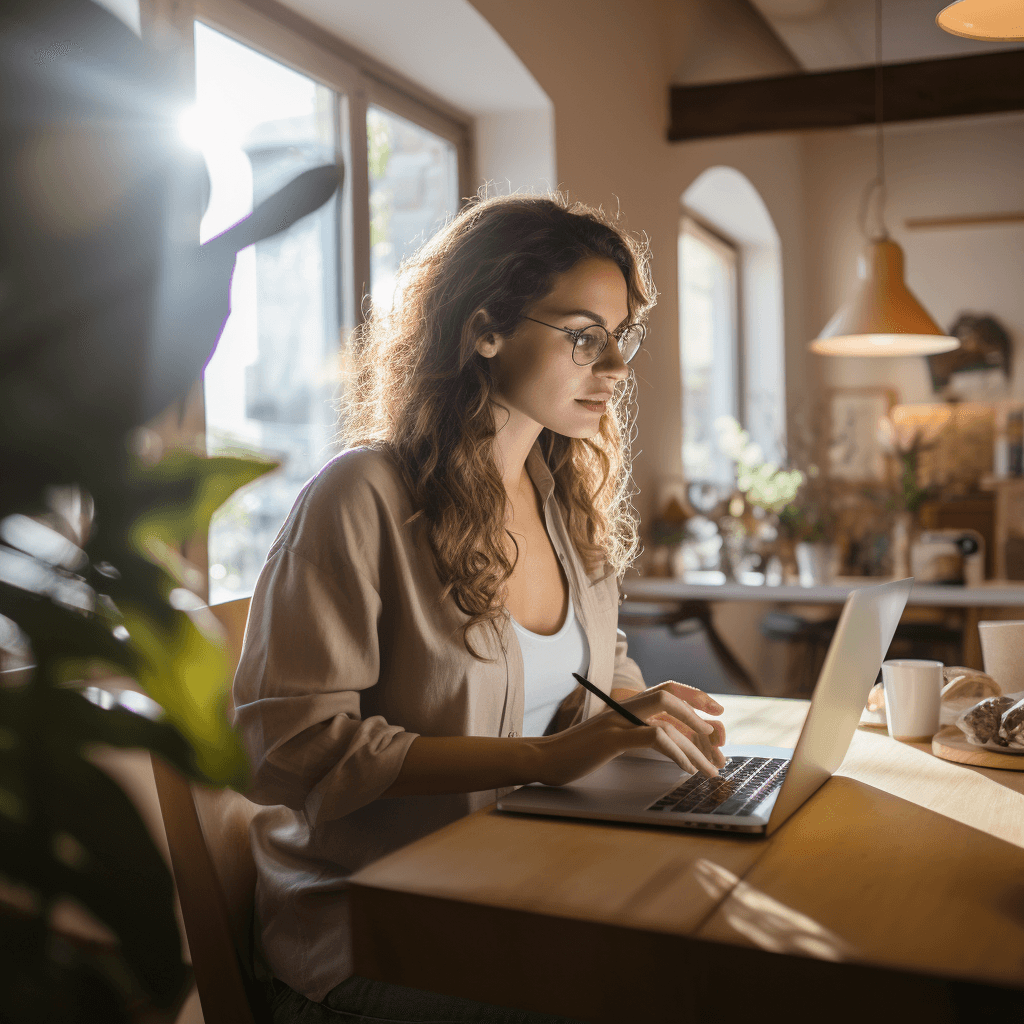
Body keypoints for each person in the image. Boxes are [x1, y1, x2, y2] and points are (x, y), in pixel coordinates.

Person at [232, 193, 728, 1023]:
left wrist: (645, 715)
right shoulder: (361, 495)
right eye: (584, 336)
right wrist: (548, 758)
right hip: (374, 930)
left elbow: (597, 673)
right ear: (486, 327)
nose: (614, 368)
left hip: (521, 883)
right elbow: (291, 750)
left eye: (620, 338)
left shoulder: (564, 498)